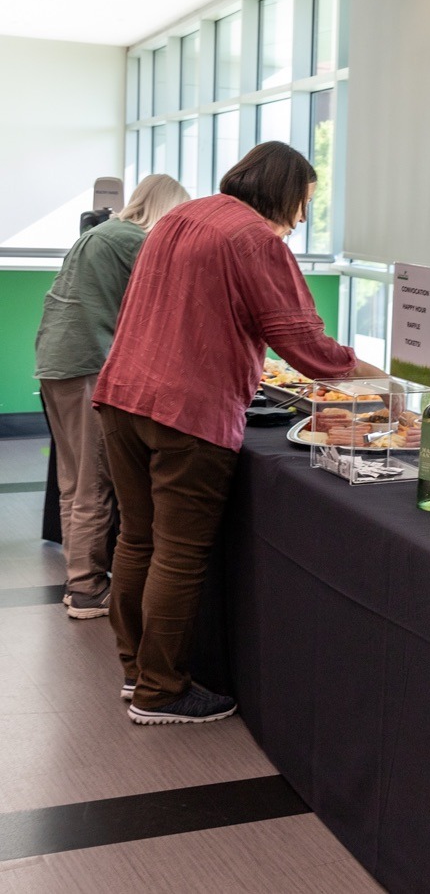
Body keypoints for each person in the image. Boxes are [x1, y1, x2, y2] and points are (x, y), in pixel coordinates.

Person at [95, 142, 389, 725]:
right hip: (186, 412)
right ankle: (161, 691)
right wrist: (378, 379)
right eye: (304, 203)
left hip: (122, 394)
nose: (303, 219)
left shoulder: (183, 215)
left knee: (136, 540)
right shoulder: (254, 238)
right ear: (282, 192)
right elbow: (303, 343)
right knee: (178, 555)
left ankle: (136, 671)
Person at [35, 174, 190, 619]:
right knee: (94, 483)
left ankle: (77, 581)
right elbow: (165, 307)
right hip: (86, 364)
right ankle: (86, 589)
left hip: (57, 362)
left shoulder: (102, 233)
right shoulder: (134, 241)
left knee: (73, 481)